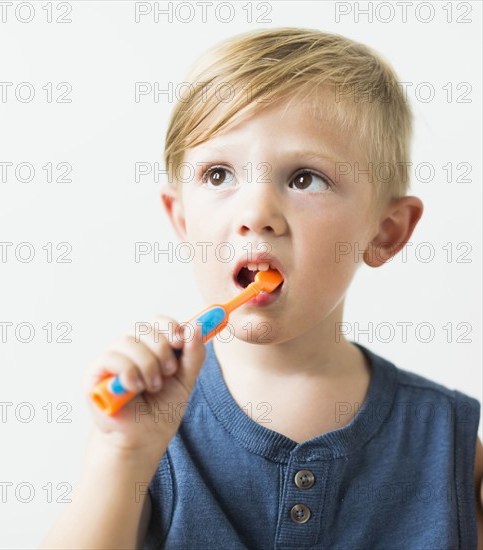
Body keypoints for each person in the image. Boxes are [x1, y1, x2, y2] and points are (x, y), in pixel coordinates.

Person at [40, 27, 483, 549]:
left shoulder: (447, 443)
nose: (255, 214)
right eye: (219, 174)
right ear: (181, 219)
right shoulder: (147, 425)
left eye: (304, 179)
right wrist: (122, 454)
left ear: (385, 232)